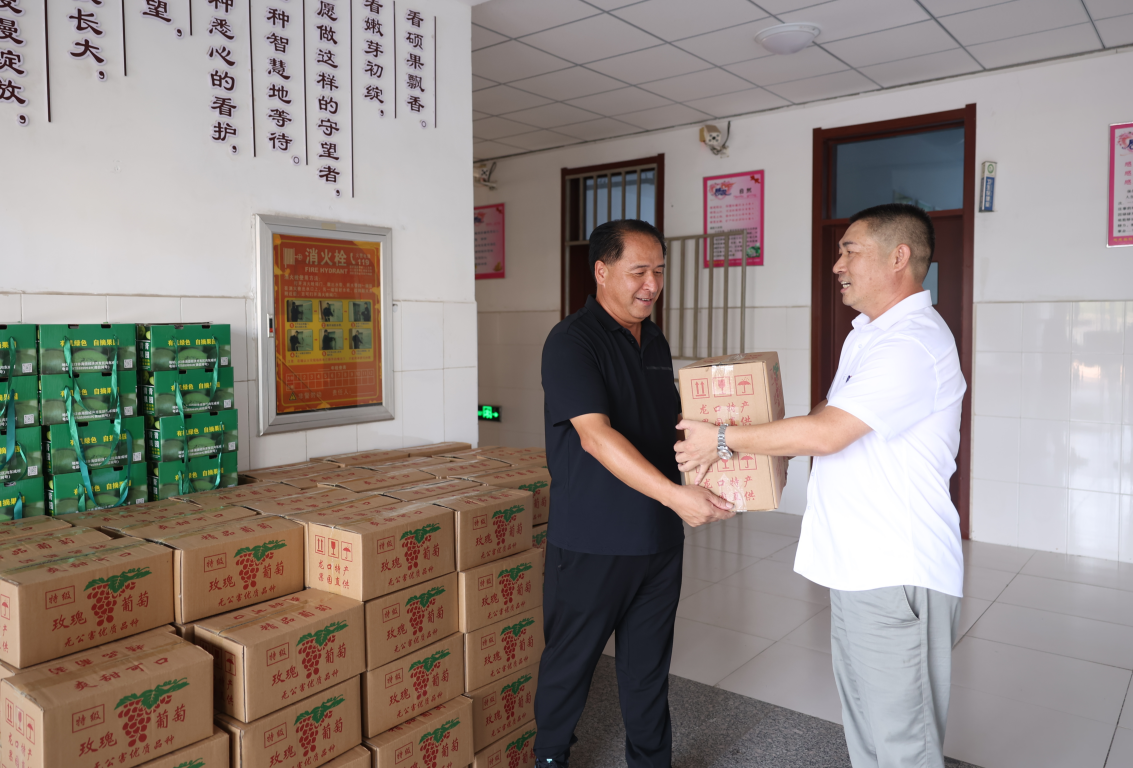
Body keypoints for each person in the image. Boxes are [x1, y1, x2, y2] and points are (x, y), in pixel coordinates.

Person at [675, 203, 965, 768]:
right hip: (859, 565)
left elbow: (829, 433)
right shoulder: (870, 336)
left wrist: (724, 439)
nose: (838, 265)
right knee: (867, 728)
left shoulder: (912, 343)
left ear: (899, 257)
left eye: (850, 251)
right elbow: (827, 414)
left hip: (895, 568)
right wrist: (759, 456)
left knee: (902, 741)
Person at [535, 219, 734, 768]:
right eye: (639, 271)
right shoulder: (571, 341)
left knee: (647, 669)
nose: (652, 285)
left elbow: (664, 422)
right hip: (593, 538)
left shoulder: (655, 340)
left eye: (660, 272)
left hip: (658, 539)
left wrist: (729, 446)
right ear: (602, 272)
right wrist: (675, 497)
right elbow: (595, 436)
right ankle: (550, 759)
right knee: (570, 664)